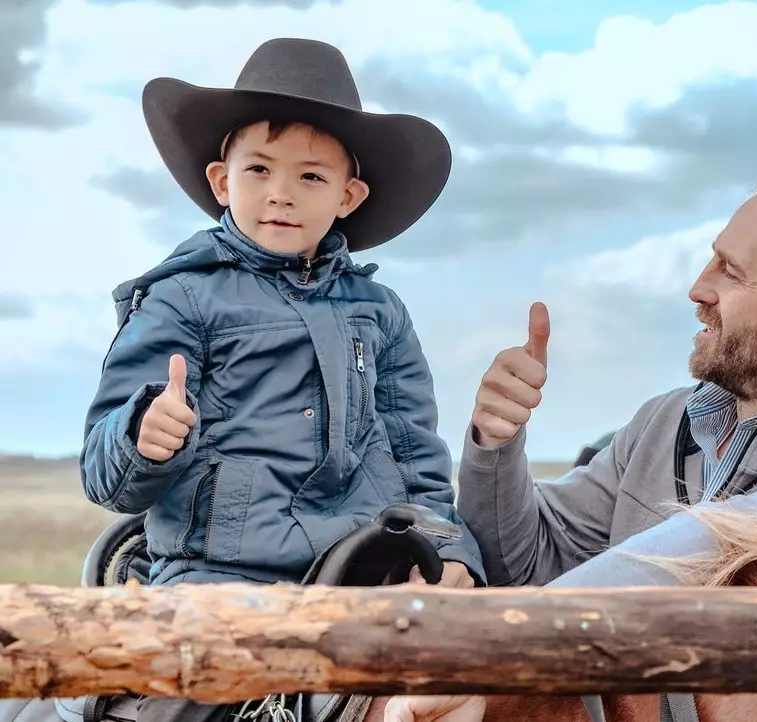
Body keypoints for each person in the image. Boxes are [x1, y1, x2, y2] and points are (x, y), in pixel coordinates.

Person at [386, 175, 757, 721]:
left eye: (731, 272)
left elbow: (722, 543)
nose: (698, 288)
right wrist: (496, 444)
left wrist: (490, 649)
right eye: (713, 259)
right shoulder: (665, 420)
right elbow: (527, 560)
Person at [79, 39, 482, 599]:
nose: (281, 194)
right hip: (218, 576)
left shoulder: (381, 312)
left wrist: (446, 546)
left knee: (478, 667)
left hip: (360, 571)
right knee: (194, 678)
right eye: (260, 169)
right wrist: (142, 434)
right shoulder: (182, 297)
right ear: (223, 182)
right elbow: (103, 474)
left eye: (311, 177)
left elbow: (416, 458)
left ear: (349, 195)